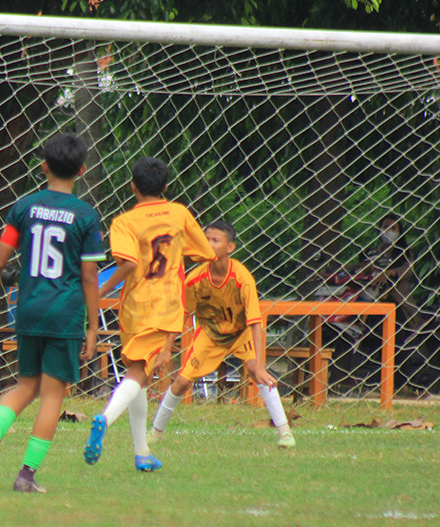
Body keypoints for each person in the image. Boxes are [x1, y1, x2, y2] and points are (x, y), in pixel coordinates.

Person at [0, 134, 106, 493]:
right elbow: (89, 275)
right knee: (52, 395)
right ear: (82, 169)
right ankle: (26, 475)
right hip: (65, 313)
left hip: (29, 309)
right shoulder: (86, 216)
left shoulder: (24, 207)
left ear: (44, 166)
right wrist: (93, 328)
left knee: (26, 385)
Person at [83, 156, 214, 472]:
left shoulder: (124, 221)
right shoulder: (179, 213)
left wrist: (102, 290)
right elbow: (205, 252)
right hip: (164, 305)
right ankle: (105, 418)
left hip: (133, 305)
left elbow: (127, 262)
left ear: (133, 187)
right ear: (165, 186)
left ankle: (142, 453)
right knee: (139, 375)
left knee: (138, 372)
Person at [149, 220, 296, 448]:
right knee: (181, 382)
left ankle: (285, 433)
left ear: (230, 248)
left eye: (215, 241)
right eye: (205, 240)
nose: (208, 245)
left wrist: (259, 365)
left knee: (258, 373)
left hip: (240, 333)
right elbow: (181, 315)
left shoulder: (242, 278)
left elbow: (255, 323)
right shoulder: (195, 279)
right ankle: (155, 433)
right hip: (210, 335)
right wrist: (167, 348)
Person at [360, 214, 423, 331]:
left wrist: (389, 273)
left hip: (397, 303)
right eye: (386, 227)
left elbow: (406, 270)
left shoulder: (405, 254)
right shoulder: (372, 253)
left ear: (399, 233)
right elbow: (360, 268)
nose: (389, 231)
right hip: (371, 297)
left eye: (393, 228)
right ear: (380, 230)